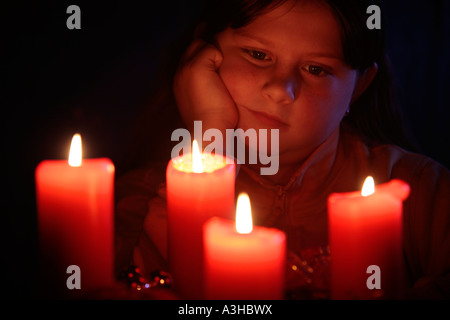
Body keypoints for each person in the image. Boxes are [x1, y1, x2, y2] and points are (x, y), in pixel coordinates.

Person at [114, 0, 450, 299]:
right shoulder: (140, 199)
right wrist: (209, 128)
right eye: (258, 55)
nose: (280, 89)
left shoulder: (420, 193)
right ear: (201, 56)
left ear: (359, 86)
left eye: (316, 69)